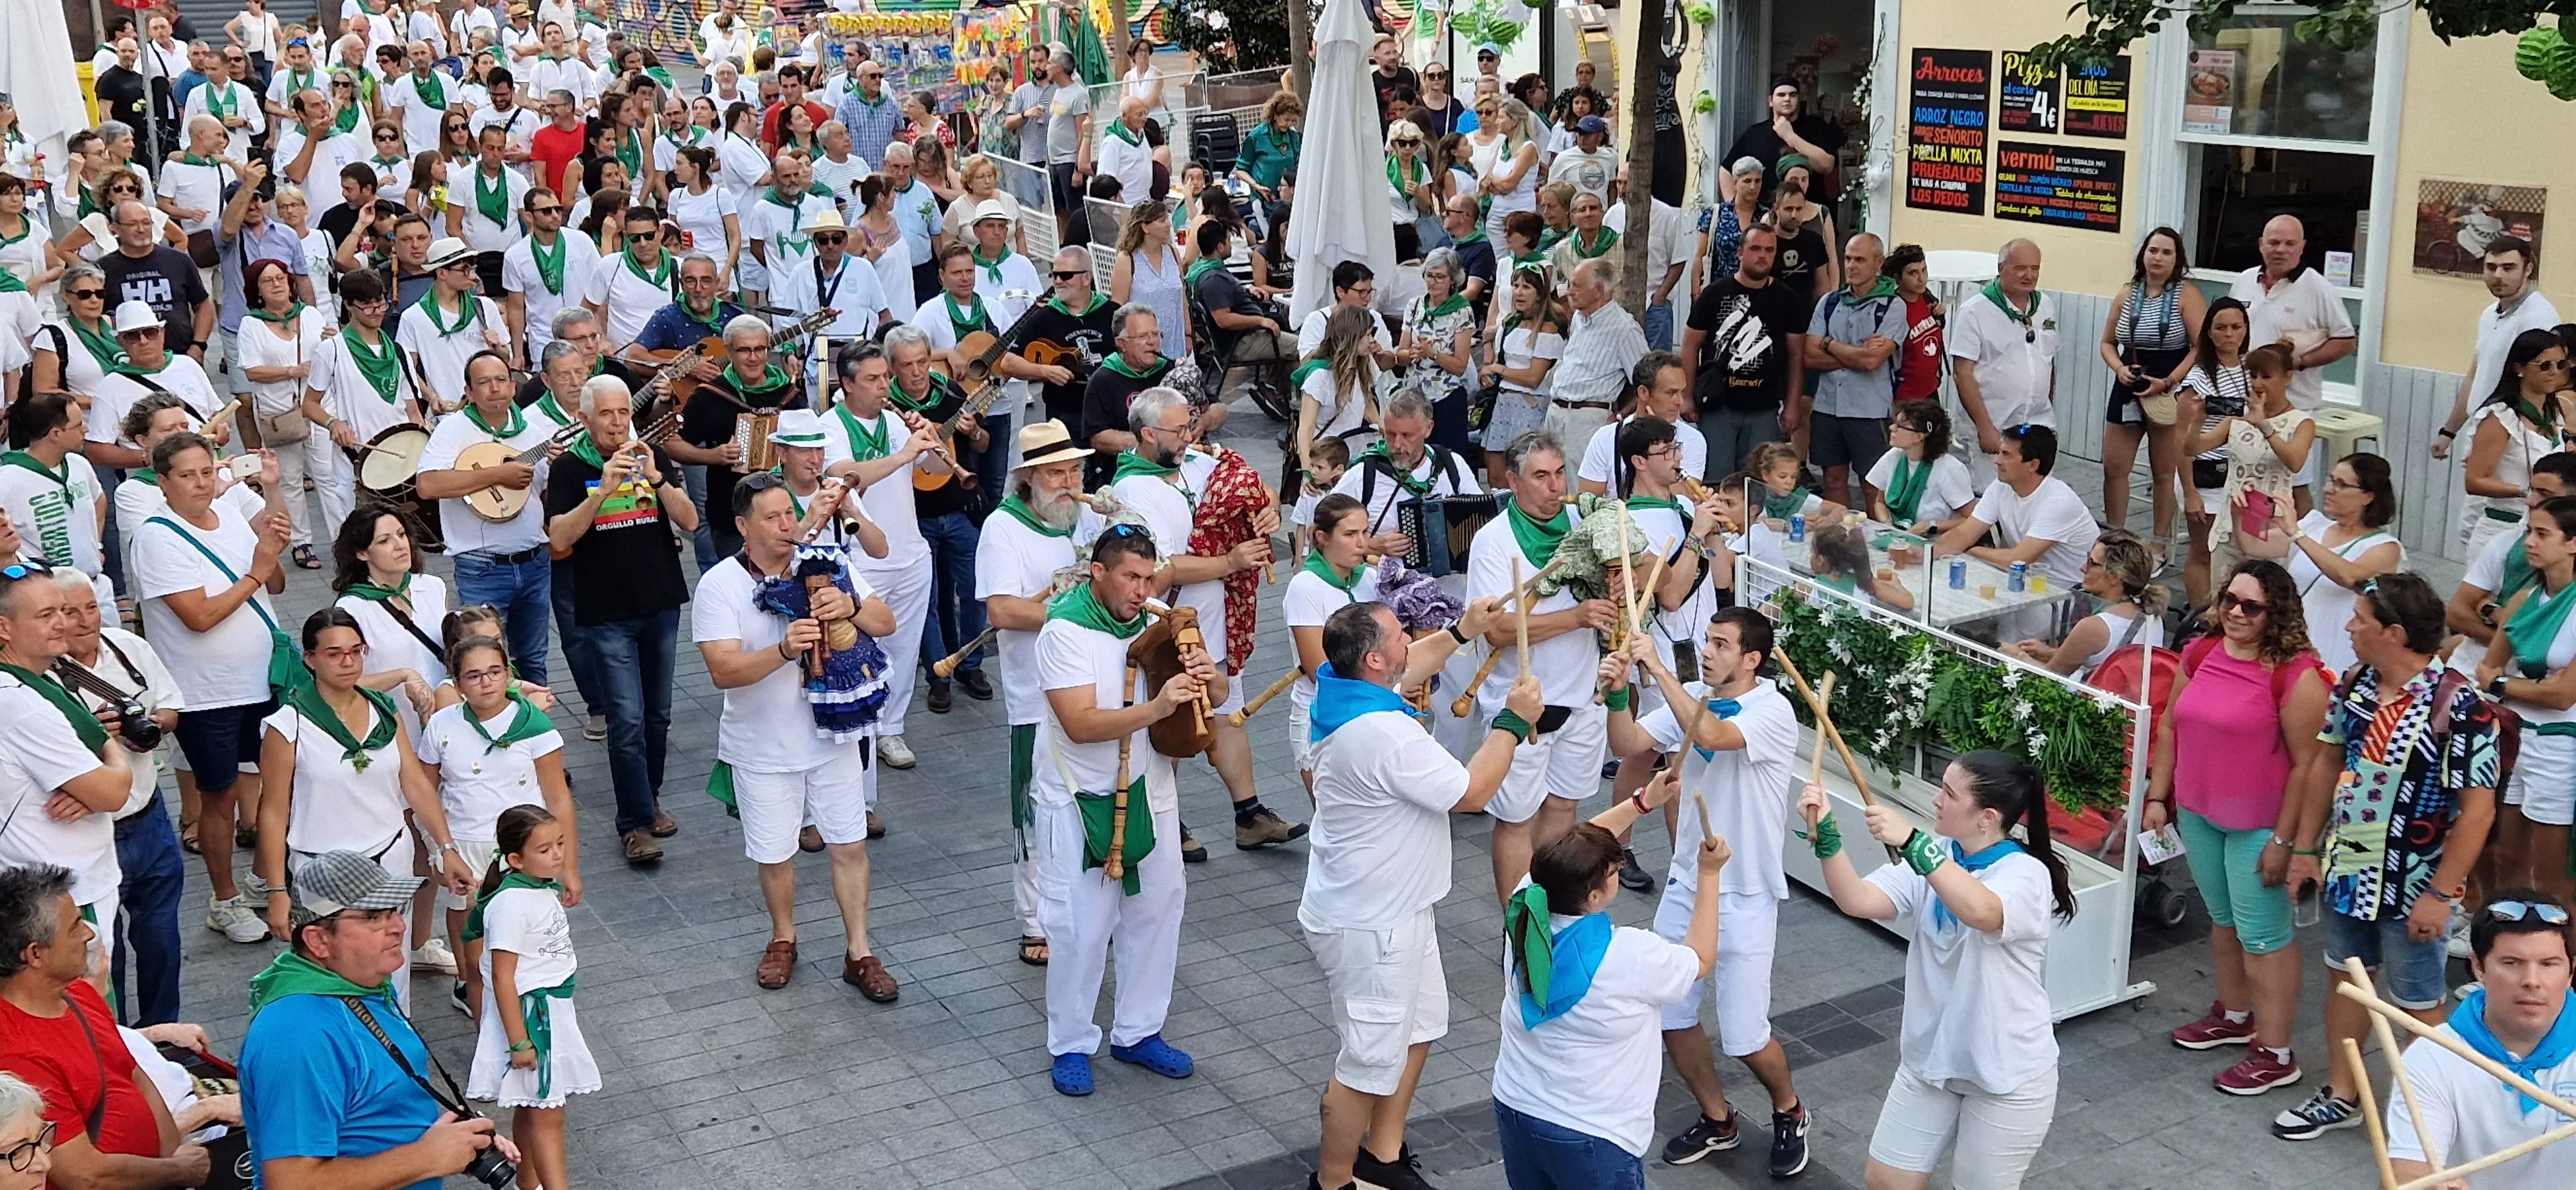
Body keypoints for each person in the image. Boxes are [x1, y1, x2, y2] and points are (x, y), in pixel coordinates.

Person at [1302, 592, 1535, 1190]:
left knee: (1420, 1027)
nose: (1411, 638)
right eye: (1399, 635)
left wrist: (1462, 632)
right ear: (1375, 663)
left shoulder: (1338, 681)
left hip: (1398, 909)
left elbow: (1415, 661)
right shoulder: (1384, 734)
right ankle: (1333, 1183)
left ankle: (1382, 1155)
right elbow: (1474, 792)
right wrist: (1511, 721)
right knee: (1365, 1062)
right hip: (1373, 924)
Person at [2277, 571, 2498, 1140]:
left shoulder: (2462, 708)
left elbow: (2477, 812)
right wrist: (2306, 849)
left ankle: (2451, 1117)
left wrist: (2441, 893)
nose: (2348, 628)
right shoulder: (2354, 683)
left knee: (2420, 1006)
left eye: (2360, 620)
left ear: (2394, 633)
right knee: (2347, 981)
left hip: (2415, 884)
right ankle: (2343, 1094)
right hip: (2350, 870)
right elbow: (2327, 761)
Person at [1796, 750, 2074, 1187]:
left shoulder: (2025, 874)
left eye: (1948, 793)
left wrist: (1912, 844)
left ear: (1986, 817)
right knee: (1886, 1180)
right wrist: (1827, 836)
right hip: (1932, 1060)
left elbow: (1982, 911)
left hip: (2007, 1076)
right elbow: (1858, 900)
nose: (1936, 801)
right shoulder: (1942, 856)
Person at [694, 472, 901, 996]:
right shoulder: (720, 584)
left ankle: (860, 951)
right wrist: (783, 651)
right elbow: (723, 671)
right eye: (773, 517)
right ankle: (783, 938)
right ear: (743, 526)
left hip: (831, 737)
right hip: (761, 745)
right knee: (775, 854)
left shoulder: (826, 563)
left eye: (790, 513)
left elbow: (887, 620)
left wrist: (849, 607)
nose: (789, 525)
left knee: (849, 845)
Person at [1030, 526, 1219, 1095]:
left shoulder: (1160, 623)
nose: (1143, 590)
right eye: (1130, 578)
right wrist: (1158, 706)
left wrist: (1215, 678)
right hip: (1079, 796)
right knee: (1082, 926)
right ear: (1098, 573)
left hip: (1151, 788)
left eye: (1149, 577)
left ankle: (1138, 1031)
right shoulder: (1063, 629)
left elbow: (1219, 697)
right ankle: (1069, 1042)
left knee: (1159, 910)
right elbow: (1081, 724)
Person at [2145, 559, 2331, 1097]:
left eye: (2252, 606)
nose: (2236, 613)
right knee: (2223, 923)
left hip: (2259, 826)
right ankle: (2234, 1013)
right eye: (2230, 600)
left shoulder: (2296, 677)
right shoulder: (2200, 653)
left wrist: (2288, 842)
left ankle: (2275, 1052)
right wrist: (2160, 796)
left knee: (2265, 938)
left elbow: (2308, 766)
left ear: (2277, 613)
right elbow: (2171, 729)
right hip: (2201, 814)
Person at [239, 849, 520, 1187]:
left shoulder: (358, 984)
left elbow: (373, 1115)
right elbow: (291, 1182)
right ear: (317, 940)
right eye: (373, 916)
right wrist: (426, 1158)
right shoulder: (298, 1033)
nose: (399, 927)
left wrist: (451, 1144)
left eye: (394, 910)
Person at [254, 606, 468, 1019]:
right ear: (310, 659)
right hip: (324, 871)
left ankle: (397, 1054)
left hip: (391, 858)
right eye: (334, 653)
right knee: (335, 976)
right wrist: (277, 891)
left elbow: (416, 785)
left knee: (394, 966)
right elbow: (273, 812)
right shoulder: (288, 725)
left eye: (356, 651)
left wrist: (447, 848)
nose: (348, 661)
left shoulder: (383, 710)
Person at [1108, 388, 1298, 853]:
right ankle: (1163, 819)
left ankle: (1248, 814)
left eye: (1190, 425)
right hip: (1172, 622)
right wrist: (1231, 560)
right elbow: (1161, 566)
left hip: (1220, 617)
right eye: (1178, 430)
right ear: (1148, 434)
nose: (1189, 436)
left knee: (1228, 714)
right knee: (1173, 720)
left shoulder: (1194, 459)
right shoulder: (1133, 489)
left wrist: (1267, 511)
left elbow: (1254, 487)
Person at [131, 433, 290, 946]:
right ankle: (224, 900)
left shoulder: (230, 519)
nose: (201, 484)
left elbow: (278, 581)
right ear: (163, 482)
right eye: (187, 475)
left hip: (259, 681)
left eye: (206, 472)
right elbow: (198, 616)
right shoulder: (157, 538)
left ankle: (267, 878)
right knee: (218, 798)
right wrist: (256, 571)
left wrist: (271, 513)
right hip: (205, 695)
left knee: (272, 785)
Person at [542, 375, 695, 863]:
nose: (617, 423)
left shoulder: (652, 456)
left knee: (657, 715)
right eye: (606, 414)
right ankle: (632, 825)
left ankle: (649, 801)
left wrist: (657, 480)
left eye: (624, 412)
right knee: (625, 719)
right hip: (606, 612)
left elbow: (691, 520)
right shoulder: (569, 469)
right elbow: (559, 538)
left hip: (659, 603)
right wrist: (601, 492)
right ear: (584, 419)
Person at [1466, 432, 1618, 903]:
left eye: (1559, 474)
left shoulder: (1582, 523)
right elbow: (1496, 630)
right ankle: (1518, 924)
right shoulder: (1494, 541)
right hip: (1523, 702)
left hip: (1583, 699)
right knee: (1515, 817)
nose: (1556, 487)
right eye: (1540, 477)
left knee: (1564, 805)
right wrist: (1576, 616)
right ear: (1512, 481)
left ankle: (1553, 907)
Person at [974, 422, 1101, 966]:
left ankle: (1094, 911)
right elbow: (1003, 611)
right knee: (1035, 813)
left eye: (1075, 470)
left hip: (1097, 690)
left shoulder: (1086, 516)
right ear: (1029, 478)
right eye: (1057, 473)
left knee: (1095, 800)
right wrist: (1072, 607)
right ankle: (1035, 921)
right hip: (1036, 699)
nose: (1070, 482)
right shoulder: (1002, 528)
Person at [0, 865, 209, 1190]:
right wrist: (179, 1171)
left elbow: (133, 1074)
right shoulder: (15, 1055)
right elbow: (84, 1176)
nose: (88, 932)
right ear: (35, 954)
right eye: (74, 927)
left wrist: (171, 1159)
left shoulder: (78, 994)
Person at [47, 569, 187, 1026]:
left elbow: (170, 705)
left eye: (90, 606)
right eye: (69, 612)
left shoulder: (130, 648)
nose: (84, 619)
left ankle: (165, 1035)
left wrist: (150, 726)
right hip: (94, 831)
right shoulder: (40, 680)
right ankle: (117, 1042)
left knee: (162, 941)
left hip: (150, 817)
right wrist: (99, 741)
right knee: (103, 951)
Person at [2385, 889, 2576, 1187]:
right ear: (2478, 967)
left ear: (2570, 973)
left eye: (2549, 964)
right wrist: (2427, 1185)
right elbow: (2410, 1171)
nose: (2532, 981)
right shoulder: (2434, 1056)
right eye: (2512, 963)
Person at [0, 565, 138, 935]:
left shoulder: (38, 680)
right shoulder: (22, 704)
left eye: (62, 609)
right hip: (69, 896)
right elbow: (113, 792)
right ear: (4, 628)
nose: (63, 622)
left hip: (59, 884)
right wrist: (111, 753)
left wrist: (89, 780)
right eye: (46, 615)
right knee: (87, 992)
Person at [459, 804, 591, 1190]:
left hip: (550, 1010)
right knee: (550, 1116)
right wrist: (519, 1040)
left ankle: (527, 1185)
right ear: (516, 859)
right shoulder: (512, 905)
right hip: (535, 1017)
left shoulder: (536, 889)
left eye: (560, 844)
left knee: (530, 1106)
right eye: (545, 849)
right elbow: (502, 976)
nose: (558, 854)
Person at [416, 352, 556, 685]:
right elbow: (428, 484)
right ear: (469, 391)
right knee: (483, 661)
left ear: (513, 385)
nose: (495, 388)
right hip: (482, 567)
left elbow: (547, 493)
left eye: (501, 380)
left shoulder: (532, 431)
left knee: (534, 659)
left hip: (536, 562)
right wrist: (498, 474)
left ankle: (533, 730)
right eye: (484, 382)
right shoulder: (453, 429)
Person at [2479, 496, 2576, 905]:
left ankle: (2563, 963)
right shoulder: (2522, 599)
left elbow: (2563, 695)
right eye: (2528, 532)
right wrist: (2510, 684)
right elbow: (2487, 670)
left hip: (2560, 747)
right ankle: (2507, 950)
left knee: (2553, 882)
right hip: (2518, 740)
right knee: (2507, 857)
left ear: (2573, 543)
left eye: (2542, 534)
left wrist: (2506, 684)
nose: (2530, 543)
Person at [2242, 453, 2404, 676]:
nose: (2328, 489)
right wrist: (2242, 512)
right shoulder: (2314, 524)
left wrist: (2296, 534)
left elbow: (2351, 577)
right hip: (2293, 640)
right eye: (2331, 480)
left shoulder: (2386, 548)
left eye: (2341, 485)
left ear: (2368, 497)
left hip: (2338, 648)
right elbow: (2252, 545)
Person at [2098, 227, 2205, 561]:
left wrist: (2170, 381)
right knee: (2114, 467)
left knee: (2163, 470)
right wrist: (2118, 369)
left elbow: (2201, 347)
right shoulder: (2127, 293)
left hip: (2168, 385)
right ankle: (2116, 537)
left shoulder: (2187, 295)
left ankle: (2158, 543)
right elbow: (2107, 342)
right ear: (2143, 255)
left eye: (2166, 253)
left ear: (2178, 260)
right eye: (2153, 251)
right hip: (2130, 382)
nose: (2158, 258)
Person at [664, 312, 802, 560]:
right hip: (732, 517)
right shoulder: (711, 395)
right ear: (729, 351)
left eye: (760, 349)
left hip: (788, 514)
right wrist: (713, 456)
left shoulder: (789, 393)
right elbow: (672, 442)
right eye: (744, 350)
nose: (754, 358)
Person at [2190, 341, 2315, 589]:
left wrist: (2264, 426)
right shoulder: (2239, 416)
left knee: (2264, 600)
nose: (2257, 384)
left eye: (2266, 377)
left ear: (2287, 378)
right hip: (2231, 520)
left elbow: (2295, 462)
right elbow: (2191, 449)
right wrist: (2197, 421)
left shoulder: (2301, 422)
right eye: (2253, 376)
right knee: (2223, 597)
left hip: (2268, 523)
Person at [1683, 224, 1803, 481]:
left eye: (1770, 250)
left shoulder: (1788, 299)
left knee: (1759, 483)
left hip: (1765, 408)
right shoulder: (1714, 294)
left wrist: (1792, 405)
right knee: (1716, 482)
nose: (1763, 256)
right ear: (1740, 252)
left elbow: (1796, 356)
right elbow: (1690, 346)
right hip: (1719, 406)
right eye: (1755, 249)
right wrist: (1687, 397)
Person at [232, 259, 329, 568]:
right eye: (267, 281)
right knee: (289, 480)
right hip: (280, 413)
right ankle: (302, 542)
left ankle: (345, 538)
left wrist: (331, 343)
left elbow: (331, 352)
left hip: (319, 408)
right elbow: (251, 371)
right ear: (257, 290)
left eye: (280, 278)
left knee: (329, 476)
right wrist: (292, 371)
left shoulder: (311, 314)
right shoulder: (251, 324)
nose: (276, 284)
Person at [1802, 233, 1909, 509]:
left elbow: (1872, 362)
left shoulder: (1892, 306)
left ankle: (1877, 544)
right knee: (1833, 479)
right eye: (1848, 258)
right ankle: (1843, 540)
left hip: (1868, 410)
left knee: (1873, 484)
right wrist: (1855, 353)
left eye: (1860, 260)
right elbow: (1810, 355)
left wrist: (1830, 344)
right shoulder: (1830, 302)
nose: (1851, 266)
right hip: (1828, 406)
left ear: (1879, 263)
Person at [2229, 215, 2358, 438]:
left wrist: (2300, 362)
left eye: (2290, 244)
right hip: (2243, 403)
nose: (2281, 250)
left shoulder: (2318, 288)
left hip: (2294, 408)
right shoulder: (2244, 281)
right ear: (2261, 244)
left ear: (2302, 247)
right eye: (2274, 243)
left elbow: (2346, 342)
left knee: (2291, 472)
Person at [1935, 423, 2101, 592]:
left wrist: (1971, 550)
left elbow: (2016, 561)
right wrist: (1926, 553)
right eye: (2000, 452)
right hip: (2023, 585)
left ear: (2033, 465)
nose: (1997, 460)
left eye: (2006, 455)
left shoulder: (2059, 502)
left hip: (2067, 595)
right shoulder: (2001, 486)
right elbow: (1964, 533)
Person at [2438, 236, 2562, 461]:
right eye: (2491, 267)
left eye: (2508, 268)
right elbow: (2476, 374)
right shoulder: (2489, 315)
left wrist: (2494, 442)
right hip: (2482, 428)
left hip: (2512, 439)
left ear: (2528, 269)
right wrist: (2449, 431)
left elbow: (2543, 386)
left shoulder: (2539, 317)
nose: (2498, 276)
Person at [1949, 238, 2058, 487]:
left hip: (2036, 425)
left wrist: (2049, 402)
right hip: (1996, 427)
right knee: (1992, 496)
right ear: (2001, 269)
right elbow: (1962, 374)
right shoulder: (1975, 311)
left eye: (2035, 269)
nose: (2029, 275)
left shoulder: (2045, 306)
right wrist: (1985, 427)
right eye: (2020, 268)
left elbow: (2050, 360)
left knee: (2037, 493)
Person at [2459, 328, 2572, 560]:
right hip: (2503, 528)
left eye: (2561, 365)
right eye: (2544, 365)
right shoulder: (2500, 418)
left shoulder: (2557, 413)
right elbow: (2474, 481)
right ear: (2519, 368)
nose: (2554, 372)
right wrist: (2531, 491)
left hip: (2544, 531)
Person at [2001, 529, 2168, 681]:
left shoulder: (2094, 627)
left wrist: (2019, 656)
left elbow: (2051, 677)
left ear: (2115, 578)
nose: (2082, 568)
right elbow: (2103, 657)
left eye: (2091, 563)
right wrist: (2049, 653)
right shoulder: (2152, 612)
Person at [86, 303, 225, 477]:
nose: (143, 341)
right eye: (133, 336)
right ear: (120, 341)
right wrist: (148, 458)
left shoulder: (188, 365)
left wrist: (221, 426)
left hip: (209, 467)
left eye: (150, 333)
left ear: (162, 333)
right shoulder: (110, 386)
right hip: (155, 479)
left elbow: (216, 412)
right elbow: (96, 449)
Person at [1545, 258, 1649, 457]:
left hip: (1588, 420)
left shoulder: (1624, 328)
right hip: (1555, 413)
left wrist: (1621, 416)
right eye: (1570, 284)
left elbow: (1647, 384)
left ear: (1599, 290)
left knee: (1581, 486)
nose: (1569, 291)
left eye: (1577, 286)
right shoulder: (1578, 318)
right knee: (1549, 484)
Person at [0, 396, 108, 580]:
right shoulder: (7, 479)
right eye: (78, 425)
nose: (86, 430)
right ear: (56, 434)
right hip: (48, 591)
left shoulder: (79, 464)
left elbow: (99, 499)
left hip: (94, 582)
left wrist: (96, 545)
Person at [397, 238, 511, 411]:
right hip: (449, 413)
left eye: (472, 269)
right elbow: (407, 369)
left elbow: (506, 359)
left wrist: (498, 347)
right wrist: (432, 398)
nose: (473, 276)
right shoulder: (413, 317)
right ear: (442, 273)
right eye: (465, 270)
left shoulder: (485, 307)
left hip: (489, 408)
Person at [499, 189, 601, 371]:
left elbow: (600, 293)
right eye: (547, 211)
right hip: (544, 342)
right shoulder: (515, 256)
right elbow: (516, 307)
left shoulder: (581, 241)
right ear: (529, 216)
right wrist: (518, 354)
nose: (555, 215)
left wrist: (603, 336)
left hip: (585, 339)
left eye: (558, 209)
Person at [99, 202, 212, 360]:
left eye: (146, 223)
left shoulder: (179, 261)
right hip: (128, 362)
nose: (141, 229)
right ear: (115, 229)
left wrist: (198, 346)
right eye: (132, 224)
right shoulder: (102, 269)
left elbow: (203, 305)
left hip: (181, 356)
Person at [1079, 305, 1177, 484]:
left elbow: (1217, 410)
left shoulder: (1170, 370)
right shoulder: (1103, 379)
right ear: (1121, 344)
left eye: (1156, 334)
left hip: (1174, 470)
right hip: (1124, 476)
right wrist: (1155, 442)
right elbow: (1099, 438)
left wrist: (1201, 423)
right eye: (1142, 336)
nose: (1152, 342)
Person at [1396, 249, 1478, 453]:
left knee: (1447, 458)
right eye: (1429, 276)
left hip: (1446, 398)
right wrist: (1412, 354)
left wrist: (1432, 353)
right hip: (1414, 398)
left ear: (1453, 280)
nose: (1433, 282)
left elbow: (1460, 365)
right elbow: (1401, 354)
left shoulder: (1461, 310)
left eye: (1440, 277)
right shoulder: (1415, 305)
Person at [1863, 399, 1975, 541]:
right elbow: (1880, 501)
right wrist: (1887, 524)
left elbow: (1972, 519)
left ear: (1919, 437)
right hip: (1895, 538)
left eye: (1900, 426)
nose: (1892, 428)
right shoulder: (1893, 456)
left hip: (1935, 545)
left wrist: (1932, 525)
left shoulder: (1950, 469)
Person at [1719, 77, 1844, 199]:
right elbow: (1726, 170)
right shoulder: (1756, 133)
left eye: (1793, 95)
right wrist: (1733, 211)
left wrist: (1790, 137)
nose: (1787, 99)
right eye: (1781, 95)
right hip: (1767, 213)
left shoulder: (1816, 126)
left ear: (1798, 100)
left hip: (1808, 213)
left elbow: (1827, 165)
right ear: (1771, 101)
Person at [1296, 307, 1382, 477]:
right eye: (1367, 335)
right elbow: (1305, 429)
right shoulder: (1320, 377)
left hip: (1353, 456)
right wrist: (1308, 473)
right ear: (1353, 338)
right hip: (1325, 464)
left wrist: (1380, 423)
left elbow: (1366, 399)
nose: (1371, 341)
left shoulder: (1362, 365)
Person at [1109, 200, 1191, 364]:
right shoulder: (1127, 259)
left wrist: (1188, 334)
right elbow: (1118, 307)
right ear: (1145, 228)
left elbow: (1182, 298)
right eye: (1162, 221)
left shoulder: (1173, 254)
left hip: (1174, 341)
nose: (1168, 225)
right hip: (1142, 345)